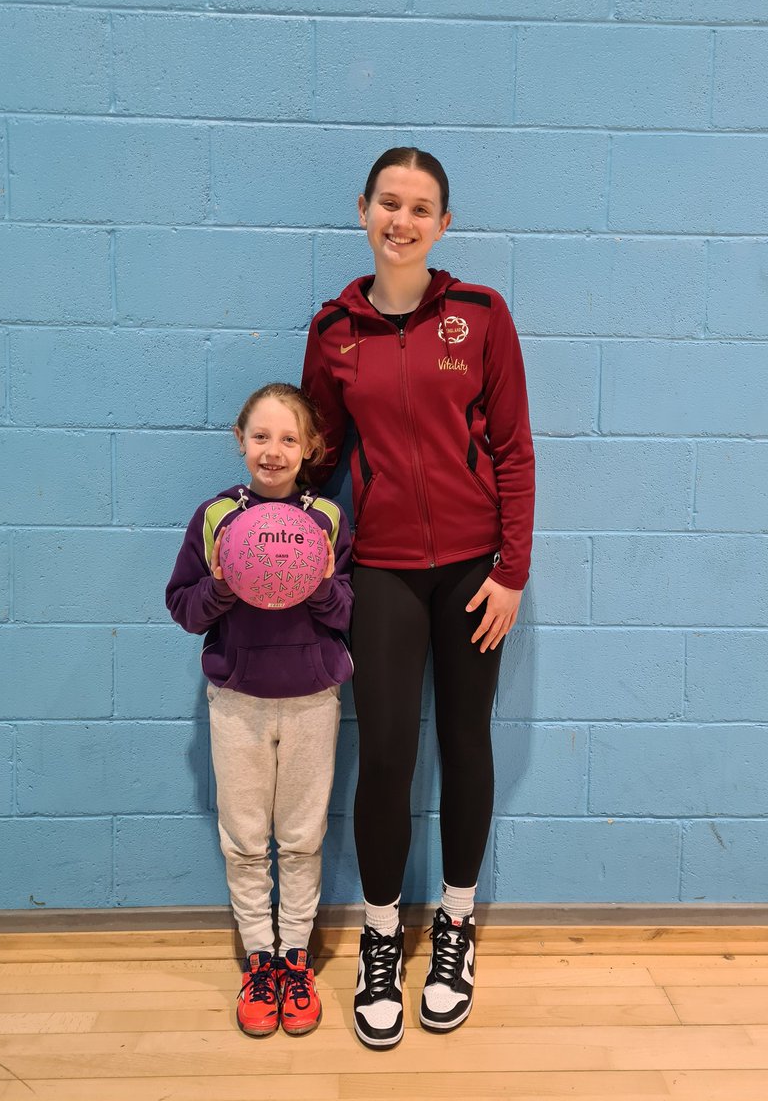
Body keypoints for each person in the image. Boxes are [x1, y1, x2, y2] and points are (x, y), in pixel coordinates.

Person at [302, 147, 534, 1048]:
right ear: (363, 211)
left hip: (475, 570)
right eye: (388, 203)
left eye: (421, 207)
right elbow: (321, 455)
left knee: (466, 741)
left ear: (444, 224)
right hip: (385, 572)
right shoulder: (334, 331)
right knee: (389, 753)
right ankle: (382, 935)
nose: (402, 220)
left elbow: (512, 449)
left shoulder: (481, 315)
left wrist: (511, 570)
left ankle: (458, 927)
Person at [165, 383, 353, 1039]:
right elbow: (183, 609)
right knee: (245, 840)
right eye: (261, 436)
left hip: (310, 701)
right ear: (240, 441)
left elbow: (349, 612)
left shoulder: (327, 519)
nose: (273, 451)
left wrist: (320, 584)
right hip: (237, 701)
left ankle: (296, 959)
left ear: (311, 449)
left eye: (289, 439)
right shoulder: (216, 516)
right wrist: (222, 584)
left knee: (302, 837)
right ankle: (260, 960)